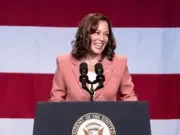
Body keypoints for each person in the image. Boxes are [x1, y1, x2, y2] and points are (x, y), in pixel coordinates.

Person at [49, 13, 138, 102]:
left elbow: (129, 98)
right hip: (75, 116)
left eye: (106, 34)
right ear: (85, 35)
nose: (102, 39)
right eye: (97, 33)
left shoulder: (119, 63)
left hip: (107, 116)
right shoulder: (64, 63)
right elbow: (56, 101)